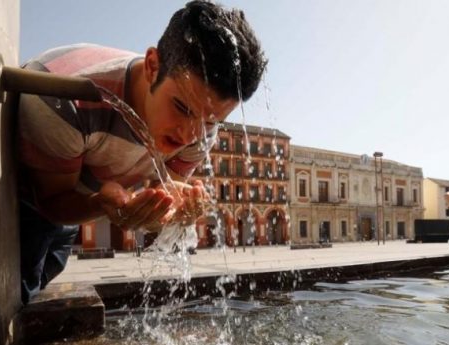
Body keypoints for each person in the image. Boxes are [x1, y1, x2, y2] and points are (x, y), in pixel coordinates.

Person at [16, 1, 267, 303]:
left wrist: (170, 210)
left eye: (211, 121)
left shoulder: (201, 128)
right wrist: (101, 205)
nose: (190, 135)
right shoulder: (64, 99)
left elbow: (164, 191)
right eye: (182, 108)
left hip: (77, 190)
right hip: (25, 196)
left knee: (50, 268)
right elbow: (51, 203)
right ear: (152, 66)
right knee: (21, 287)